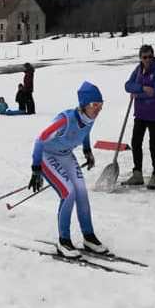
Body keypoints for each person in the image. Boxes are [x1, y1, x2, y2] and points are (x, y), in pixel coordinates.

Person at [28, 81, 107, 258]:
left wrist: (87, 150)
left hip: (65, 155)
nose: (98, 109)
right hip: (47, 156)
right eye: (95, 105)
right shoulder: (65, 119)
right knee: (68, 192)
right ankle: (63, 241)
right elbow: (41, 139)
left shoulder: (90, 118)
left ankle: (88, 237)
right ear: (84, 104)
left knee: (81, 191)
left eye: (101, 105)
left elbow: (86, 132)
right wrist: (36, 168)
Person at [123, 44, 155, 189]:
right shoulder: (138, 70)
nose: (147, 60)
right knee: (135, 142)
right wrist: (142, 88)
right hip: (141, 114)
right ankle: (137, 174)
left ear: (153, 56)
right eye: (144, 57)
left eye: (150, 56)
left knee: (153, 145)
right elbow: (128, 85)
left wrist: (138, 94)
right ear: (140, 58)